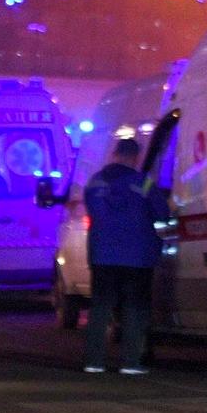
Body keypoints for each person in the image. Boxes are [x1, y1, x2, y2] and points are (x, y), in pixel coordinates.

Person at [81, 127, 169, 376]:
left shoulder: (95, 182)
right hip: (137, 257)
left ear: (114, 154)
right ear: (135, 157)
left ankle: (94, 361)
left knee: (100, 308)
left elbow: (93, 212)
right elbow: (162, 213)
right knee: (135, 308)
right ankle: (130, 362)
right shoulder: (144, 182)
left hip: (103, 255)